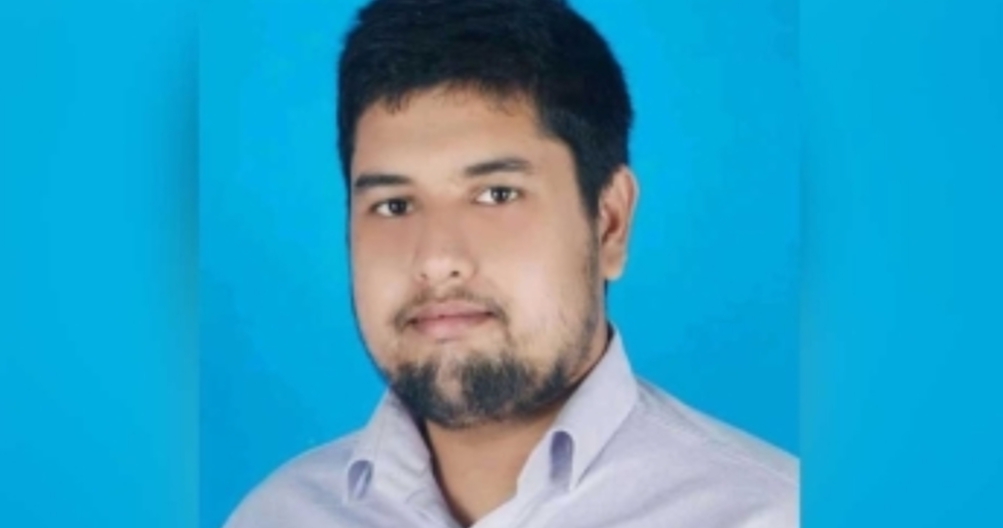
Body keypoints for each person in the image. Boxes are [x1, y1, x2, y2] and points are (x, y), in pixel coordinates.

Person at [224, 0, 799, 526]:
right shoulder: (276, 516)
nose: (437, 260)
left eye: (497, 194)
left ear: (610, 222)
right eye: (394, 205)